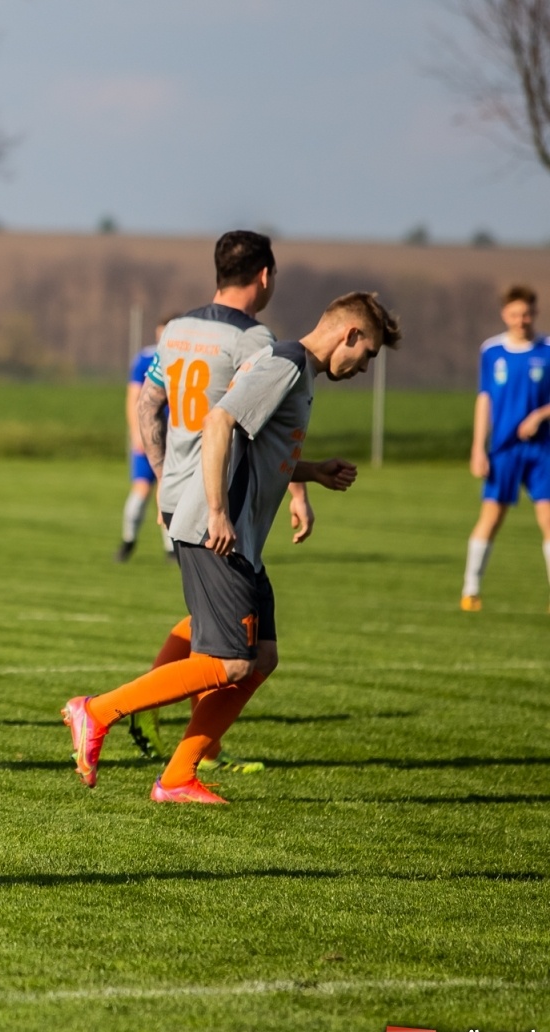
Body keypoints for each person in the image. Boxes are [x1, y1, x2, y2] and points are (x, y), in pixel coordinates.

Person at [64, 293, 400, 803]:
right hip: (216, 528)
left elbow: (260, 450)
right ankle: (97, 710)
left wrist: (311, 472)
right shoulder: (285, 362)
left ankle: (177, 777)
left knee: (261, 657)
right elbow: (219, 422)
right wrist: (219, 511)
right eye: (369, 352)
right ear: (349, 334)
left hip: (240, 536)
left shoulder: (299, 371)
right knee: (230, 663)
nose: (365, 366)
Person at [126, 231, 314, 769]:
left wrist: (164, 474)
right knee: (232, 633)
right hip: (219, 497)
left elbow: (149, 405)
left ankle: (196, 743)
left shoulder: (179, 327)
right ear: (264, 276)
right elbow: (270, 427)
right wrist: (297, 491)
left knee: (215, 616)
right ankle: (158, 719)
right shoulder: (255, 341)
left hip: (177, 490)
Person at [460, 285, 550, 611]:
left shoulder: (548, 350)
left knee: (548, 520)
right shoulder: (492, 351)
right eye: (514, 314)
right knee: (492, 517)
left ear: (535, 313)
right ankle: (470, 590)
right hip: (503, 449)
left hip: (543, 450)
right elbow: (484, 400)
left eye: (526, 313)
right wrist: (478, 448)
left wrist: (540, 415)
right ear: (505, 315)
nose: (521, 320)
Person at [118, 314, 175, 563]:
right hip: (148, 434)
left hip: (174, 438)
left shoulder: (186, 356)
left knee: (170, 493)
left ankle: (171, 549)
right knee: (141, 489)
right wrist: (137, 433)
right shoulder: (145, 358)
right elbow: (134, 398)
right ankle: (128, 541)